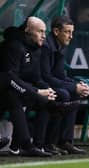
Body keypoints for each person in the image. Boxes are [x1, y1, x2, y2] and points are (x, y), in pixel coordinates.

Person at [0, 16, 59, 157]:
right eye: (40, 32)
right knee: (16, 96)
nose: (44, 36)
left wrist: (48, 90)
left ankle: (39, 145)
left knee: (48, 98)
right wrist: (37, 92)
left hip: (13, 89)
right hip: (6, 90)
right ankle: (25, 145)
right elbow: (9, 78)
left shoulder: (35, 49)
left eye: (45, 32)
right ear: (27, 30)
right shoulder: (14, 47)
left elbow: (35, 77)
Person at [41, 15, 89, 154]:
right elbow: (45, 76)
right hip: (39, 85)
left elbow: (60, 75)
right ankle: (49, 143)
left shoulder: (60, 46)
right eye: (67, 32)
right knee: (64, 94)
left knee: (73, 93)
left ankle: (65, 142)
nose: (71, 36)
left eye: (72, 32)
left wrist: (78, 85)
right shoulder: (46, 46)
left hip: (49, 82)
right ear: (56, 32)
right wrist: (73, 87)